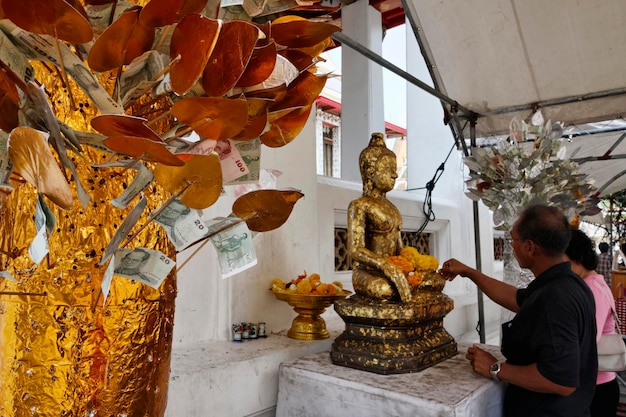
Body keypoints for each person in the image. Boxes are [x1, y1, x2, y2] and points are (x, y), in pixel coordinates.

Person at [439, 204, 597, 417]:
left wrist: (495, 368)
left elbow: (560, 381)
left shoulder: (556, 298)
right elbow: (517, 298)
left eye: (513, 239)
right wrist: (469, 272)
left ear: (530, 247)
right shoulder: (566, 283)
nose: (511, 246)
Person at [347, 132, 411, 302]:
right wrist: (384, 265)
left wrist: (413, 264)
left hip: (392, 269)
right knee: (386, 290)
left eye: (394, 169)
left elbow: (399, 248)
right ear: (370, 172)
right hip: (368, 273)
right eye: (388, 169)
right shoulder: (360, 205)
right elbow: (355, 249)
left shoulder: (392, 208)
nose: (395, 175)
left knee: (432, 282)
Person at [565, 228, 619, 417]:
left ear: (575, 257)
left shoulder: (591, 288)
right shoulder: (592, 283)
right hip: (595, 384)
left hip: (596, 386)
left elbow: (586, 342)